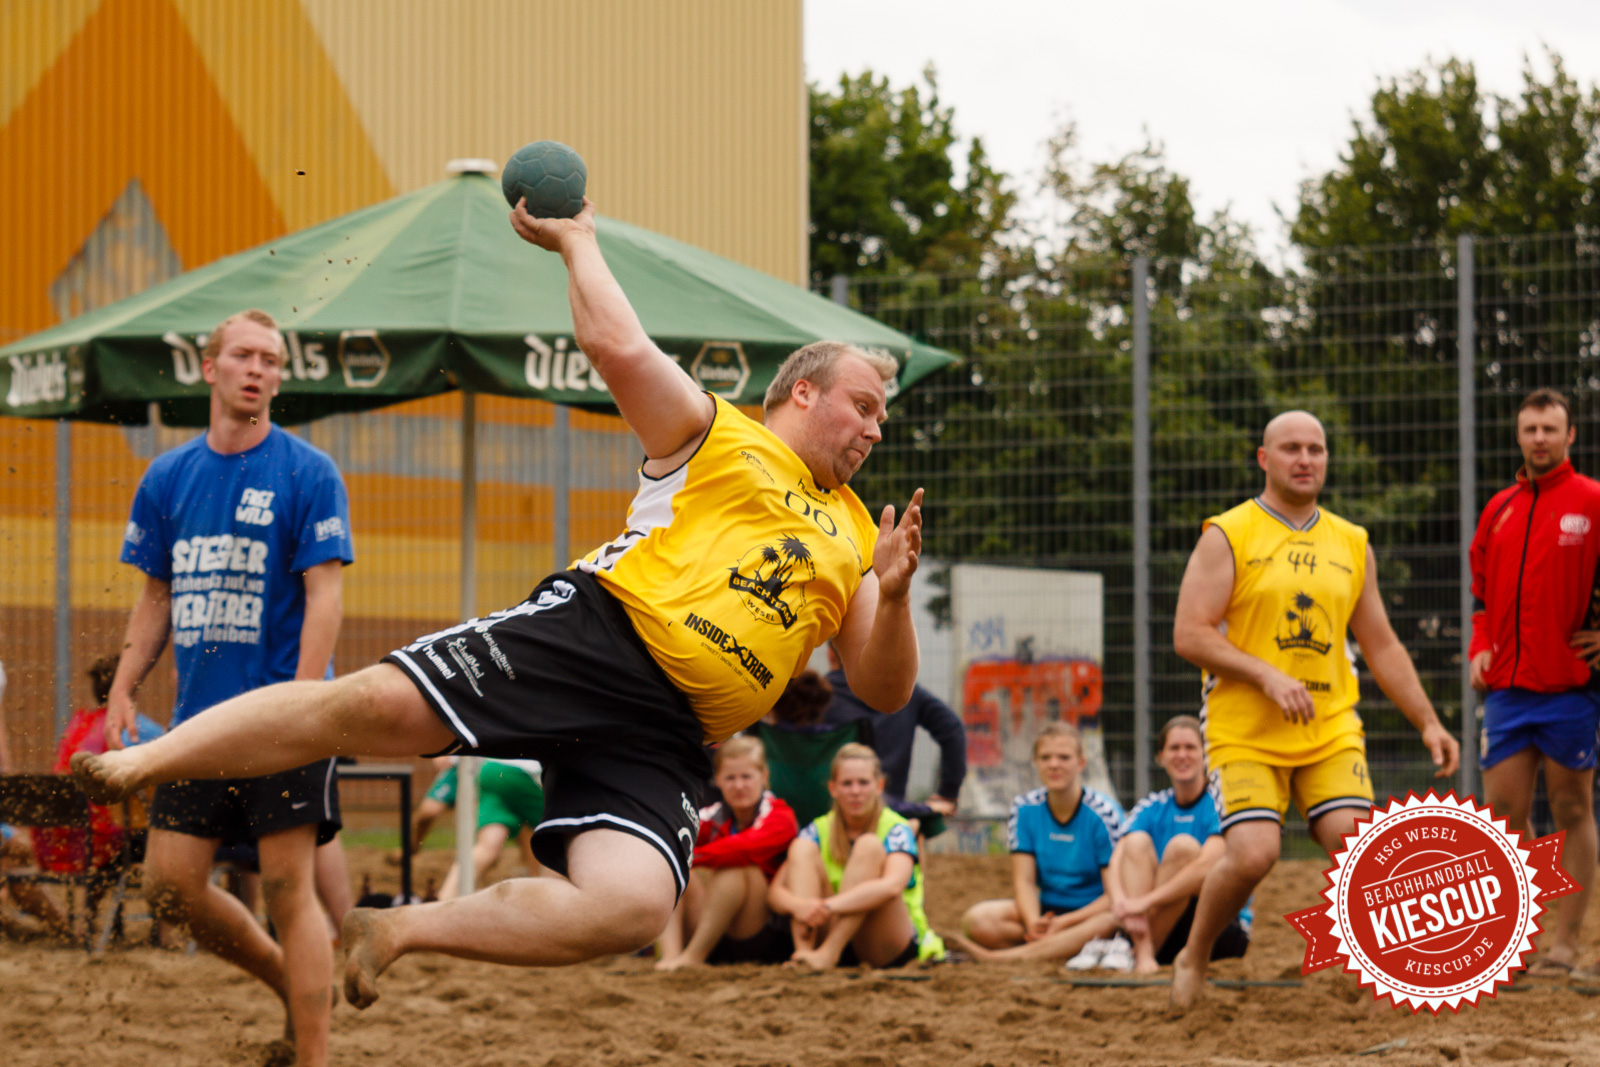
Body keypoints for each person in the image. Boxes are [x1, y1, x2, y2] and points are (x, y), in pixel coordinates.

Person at [73, 196, 925, 1014]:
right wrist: (577, 240)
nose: (876, 430)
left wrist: (891, 597)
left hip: (670, 732)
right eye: (864, 406)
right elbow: (618, 345)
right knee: (364, 705)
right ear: (804, 393)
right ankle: (147, 762)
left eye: (882, 417)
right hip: (592, 637)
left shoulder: (858, 534)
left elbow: (883, 691)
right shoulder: (719, 432)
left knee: (630, 905)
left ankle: (402, 925)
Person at [100, 307, 355, 1066]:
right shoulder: (168, 476)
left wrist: (304, 702)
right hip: (199, 724)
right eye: (244, 356)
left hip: (286, 713)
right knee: (170, 889)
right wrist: (122, 687)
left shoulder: (309, 471)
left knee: (287, 884)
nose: (259, 370)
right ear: (209, 369)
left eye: (272, 361)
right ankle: (285, 977)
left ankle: (312, 1054)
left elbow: (325, 596)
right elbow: (155, 598)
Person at [1169, 409, 1459, 1009]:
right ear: (1264, 459)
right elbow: (1189, 634)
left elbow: (1381, 645)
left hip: (1328, 728)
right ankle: (1193, 955)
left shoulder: (1351, 542)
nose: (1306, 459)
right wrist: (1267, 674)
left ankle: (1381, 969)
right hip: (1245, 729)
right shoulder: (1228, 533)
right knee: (1253, 854)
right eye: (1292, 448)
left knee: (1359, 848)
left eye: (1317, 449)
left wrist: (1429, 720)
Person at [1468, 388, 1600, 978]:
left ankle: (1564, 947)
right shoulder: (1498, 508)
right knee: (1502, 814)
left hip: (1571, 688)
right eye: (1530, 429)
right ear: (1519, 435)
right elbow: (1480, 596)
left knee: (1572, 807)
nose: (1539, 438)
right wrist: (1480, 646)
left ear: (1570, 435)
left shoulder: (1593, 501)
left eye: (1550, 428)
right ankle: (1516, 943)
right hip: (1506, 691)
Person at [951, 722, 1126, 964]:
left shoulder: (1104, 813)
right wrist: (1034, 922)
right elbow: (1024, 881)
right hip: (1048, 911)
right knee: (978, 920)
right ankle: (1055, 948)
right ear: (1035, 763)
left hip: (1091, 913)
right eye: (1045, 757)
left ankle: (999, 958)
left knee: (1112, 921)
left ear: (1081, 763)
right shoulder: (1024, 809)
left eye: (1064, 757)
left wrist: (1065, 923)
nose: (1054, 764)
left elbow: (1115, 895)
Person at [768, 743, 942, 968]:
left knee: (868, 846)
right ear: (833, 788)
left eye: (863, 782)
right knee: (801, 847)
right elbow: (775, 892)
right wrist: (799, 906)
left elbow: (892, 886)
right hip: (831, 929)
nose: (855, 791)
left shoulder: (896, 827)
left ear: (879, 786)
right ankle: (804, 954)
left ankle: (829, 953)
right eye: (847, 783)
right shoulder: (818, 829)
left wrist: (827, 906)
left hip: (886, 941)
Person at [1106, 716, 1248, 975]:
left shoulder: (1223, 803)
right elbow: (1118, 858)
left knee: (1183, 849)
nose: (1182, 755)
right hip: (1152, 919)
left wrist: (1144, 902)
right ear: (1161, 757)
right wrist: (1121, 903)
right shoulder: (1151, 805)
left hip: (1214, 925)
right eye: (1174, 748)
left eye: (1190, 747)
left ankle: (1134, 951)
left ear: (1205, 754)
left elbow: (1206, 867)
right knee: (1135, 842)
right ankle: (1138, 952)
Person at [655, 735, 797, 969]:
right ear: (717, 780)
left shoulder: (780, 815)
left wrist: (694, 858)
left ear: (764, 776)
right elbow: (670, 839)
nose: (739, 786)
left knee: (735, 868)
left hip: (761, 933)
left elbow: (743, 848)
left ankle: (692, 959)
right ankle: (670, 957)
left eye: (746, 777)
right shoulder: (709, 816)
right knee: (671, 868)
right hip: (712, 927)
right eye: (730, 778)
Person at [822, 644, 966, 833]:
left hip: (826, 814)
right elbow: (952, 728)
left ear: (830, 653)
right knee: (916, 830)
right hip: (894, 811)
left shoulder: (815, 695)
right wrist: (948, 792)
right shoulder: (903, 691)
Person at [436, 758, 546, 899]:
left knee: (487, 847)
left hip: (491, 770)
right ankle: (544, 896)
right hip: (524, 774)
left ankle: (445, 897)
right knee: (552, 836)